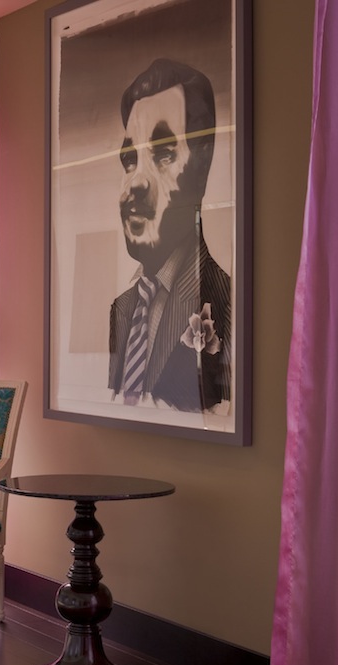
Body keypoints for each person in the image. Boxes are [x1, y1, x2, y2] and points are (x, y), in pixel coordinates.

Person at [107, 58, 231, 412]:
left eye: (163, 153)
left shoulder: (226, 303)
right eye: (129, 159)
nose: (136, 181)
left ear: (201, 167)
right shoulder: (122, 309)